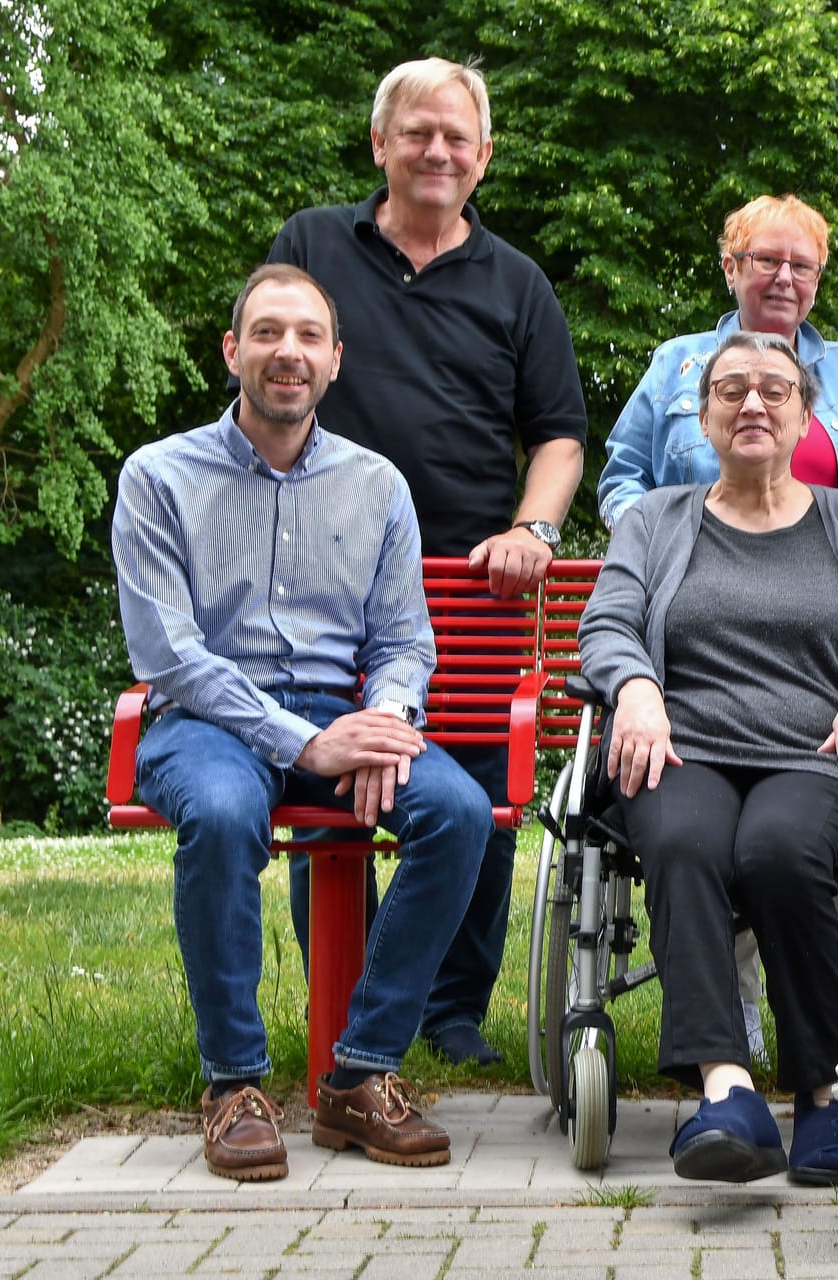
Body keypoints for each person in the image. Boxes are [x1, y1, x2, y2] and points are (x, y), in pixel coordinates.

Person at [114, 264, 490, 1180]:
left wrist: (389, 719)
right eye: (270, 333)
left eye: (310, 336)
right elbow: (168, 653)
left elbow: (405, 641)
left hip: (340, 714)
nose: (290, 352)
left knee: (460, 811)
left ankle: (359, 1078)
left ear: (335, 361)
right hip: (204, 717)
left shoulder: (377, 485)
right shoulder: (159, 476)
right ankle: (234, 1085)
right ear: (233, 350)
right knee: (220, 810)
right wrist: (306, 743)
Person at [263, 58, 589, 1065]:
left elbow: (561, 435)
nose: (437, 150)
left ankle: (450, 1006)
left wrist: (532, 530)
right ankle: (354, 1005)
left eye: (457, 136)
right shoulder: (312, 245)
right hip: (322, 581)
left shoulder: (517, 282)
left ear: (483, 157)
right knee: (330, 783)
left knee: (485, 795)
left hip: (469, 581)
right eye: (418, 133)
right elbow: (273, 375)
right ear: (380, 144)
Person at [579, 332, 838, 1184]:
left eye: (774, 391)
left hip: (822, 753)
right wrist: (634, 685)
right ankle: (728, 1093)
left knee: (777, 849)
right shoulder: (653, 519)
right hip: (685, 745)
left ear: (803, 419)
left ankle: (824, 1094)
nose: (753, 403)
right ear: (705, 418)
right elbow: (605, 624)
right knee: (683, 841)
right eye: (731, 389)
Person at [599, 193, 838, 1059]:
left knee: (806, 816)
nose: (783, 276)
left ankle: (831, 1008)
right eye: (765, 260)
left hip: (828, 659)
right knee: (703, 823)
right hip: (696, 662)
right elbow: (623, 473)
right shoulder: (676, 365)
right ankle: (732, 1022)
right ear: (731, 265)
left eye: (802, 265)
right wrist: (666, 531)